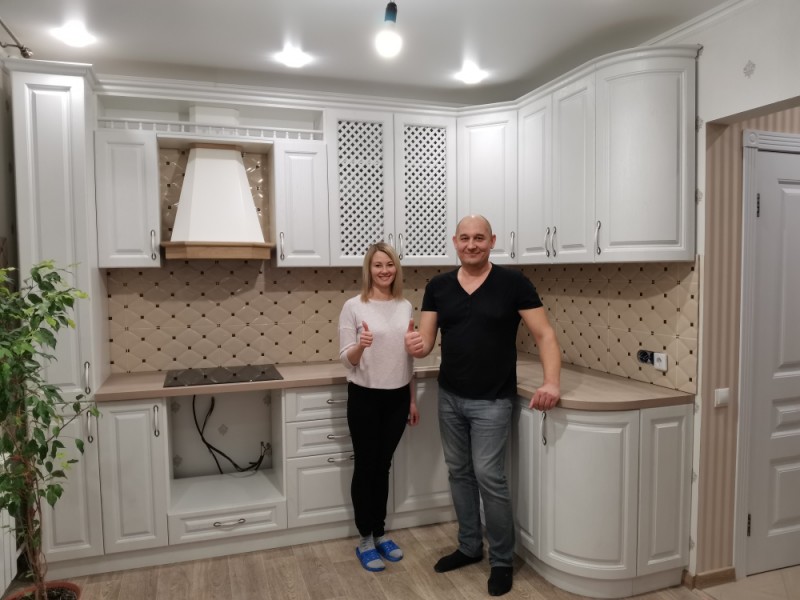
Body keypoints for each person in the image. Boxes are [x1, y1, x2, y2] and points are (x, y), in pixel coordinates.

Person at [404, 214, 561, 596]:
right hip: (450, 397)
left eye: (478, 238)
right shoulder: (438, 286)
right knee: (459, 473)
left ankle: (502, 560)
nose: (471, 244)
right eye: (464, 238)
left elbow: (544, 335)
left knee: (490, 477)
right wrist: (415, 345)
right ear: (454, 242)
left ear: (492, 241)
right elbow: (426, 342)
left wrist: (552, 382)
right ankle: (470, 547)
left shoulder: (514, 283)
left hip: (493, 400)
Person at [338, 241, 420, 573]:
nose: (384, 270)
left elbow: (409, 358)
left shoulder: (405, 306)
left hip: (398, 397)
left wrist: (412, 399)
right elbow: (346, 359)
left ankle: (380, 532)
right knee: (366, 466)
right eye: (378, 265)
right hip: (365, 397)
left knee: (383, 466)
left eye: (389, 264)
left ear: (396, 268)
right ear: (368, 270)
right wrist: (360, 346)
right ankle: (364, 539)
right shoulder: (353, 306)